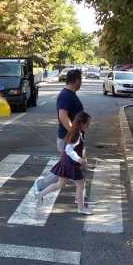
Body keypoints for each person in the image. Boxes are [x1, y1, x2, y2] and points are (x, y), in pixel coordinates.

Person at [34, 68, 97, 205]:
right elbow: (63, 117)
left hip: (70, 139)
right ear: (77, 81)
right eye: (81, 81)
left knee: (66, 169)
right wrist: (75, 135)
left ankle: (44, 186)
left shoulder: (70, 94)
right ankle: (44, 186)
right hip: (67, 139)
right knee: (73, 167)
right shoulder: (66, 95)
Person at [36, 112, 94, 215]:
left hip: (66, 162)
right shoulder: (76, 134)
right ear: (81, 124)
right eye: (87, 124)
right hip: (71, 164)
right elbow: (69, 149)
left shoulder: (75, 132)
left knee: (60, 184)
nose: (88, 126)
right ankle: (81, 208)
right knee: (81, 185)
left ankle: (40, 194)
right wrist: (78, 159)